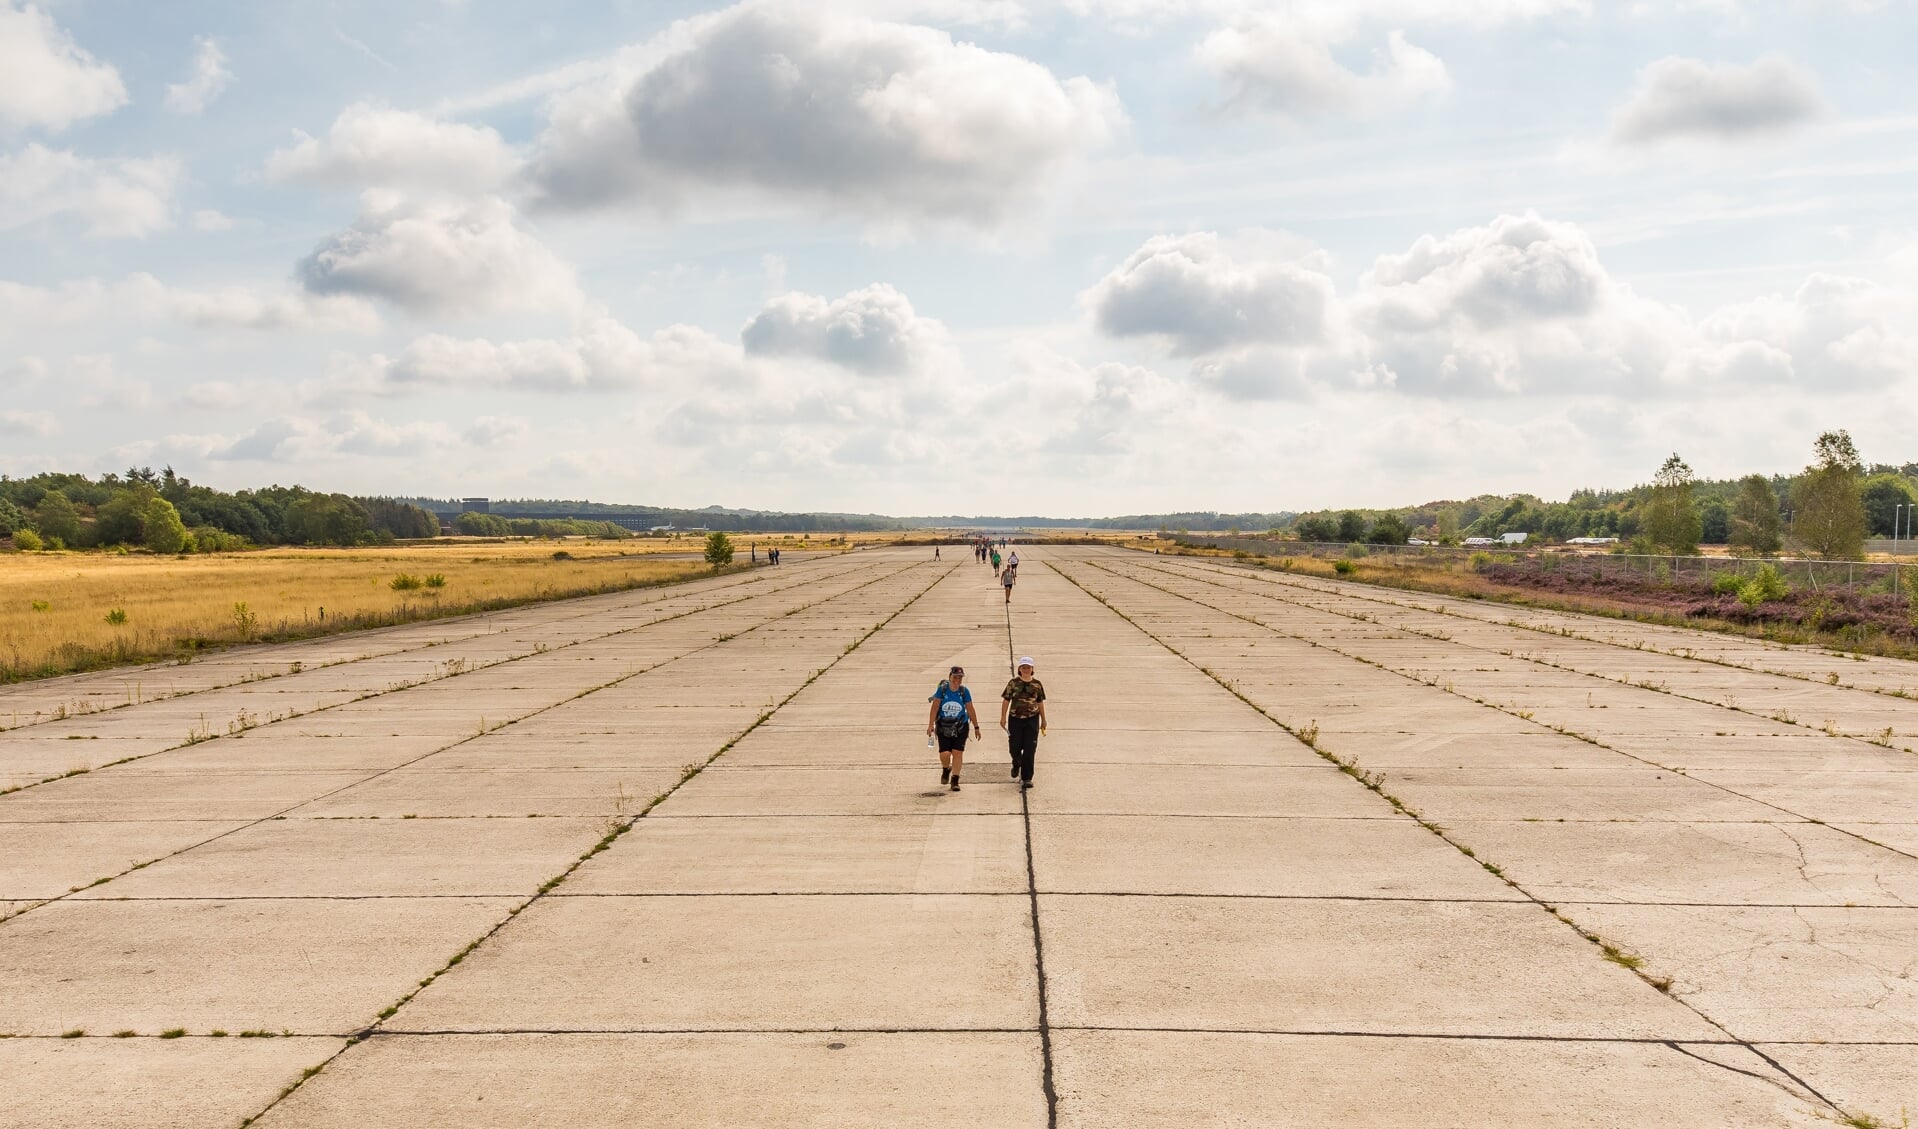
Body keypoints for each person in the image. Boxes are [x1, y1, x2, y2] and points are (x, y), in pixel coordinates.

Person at [927, 666, 981, 791]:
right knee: (945, 753)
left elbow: (970, 709)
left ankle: (955, 779)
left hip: (961, 726)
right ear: (950, 676)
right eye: (955, 677)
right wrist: (930, 725)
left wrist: (976, 726)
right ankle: (946, 769)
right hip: (943, 725)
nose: (957, 680)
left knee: (958, 753)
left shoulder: (964, 691)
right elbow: (934, 708)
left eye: (960, 677)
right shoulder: (942, 690)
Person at [1000, 656, 1047, 790]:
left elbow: (1040, 702)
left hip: (1032, 719)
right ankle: (1016, 762)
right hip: (1015, 719)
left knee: (1029, 749)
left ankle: (1027, 777)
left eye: (1028, 667)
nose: (1026, 670)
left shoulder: (1037, 684)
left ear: (1032, 669)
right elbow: (1006, 700)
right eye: (1023, 667)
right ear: (1020, 669)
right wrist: (1003, 717)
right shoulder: (1013, 683)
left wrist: (1043, 720)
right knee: (1014, 746)